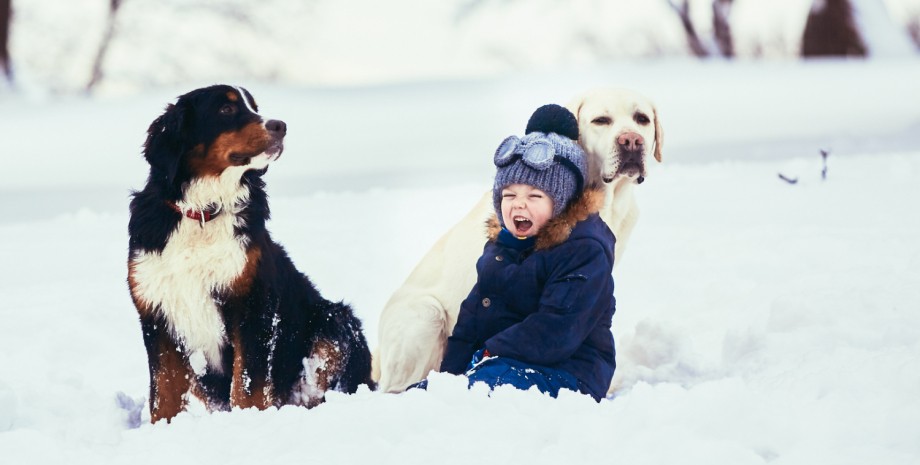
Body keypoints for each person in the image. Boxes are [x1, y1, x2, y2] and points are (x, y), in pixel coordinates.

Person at [438, 104, 617, 401]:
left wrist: (489, 351)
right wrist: (448, 377)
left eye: (535, 196)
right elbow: (472, 316)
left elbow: (556, 330)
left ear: (561, 201)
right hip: (503, 363)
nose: (519, 205)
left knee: (482, 387)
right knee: (442, 391)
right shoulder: (502, 246)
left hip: (571, 373)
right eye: (509, 196)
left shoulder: (584, 250)